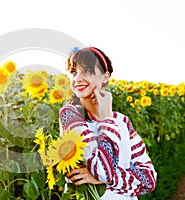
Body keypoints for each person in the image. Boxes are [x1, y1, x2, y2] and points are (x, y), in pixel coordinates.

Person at [59, 47, 157, 200]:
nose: (77, 78)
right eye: (73, 72)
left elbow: (149, 179)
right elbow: (103, 170)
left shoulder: (122, 121)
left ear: (105, 77)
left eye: (87, 72)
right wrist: (107, 120)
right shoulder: (71, 116)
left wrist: (104, 179)